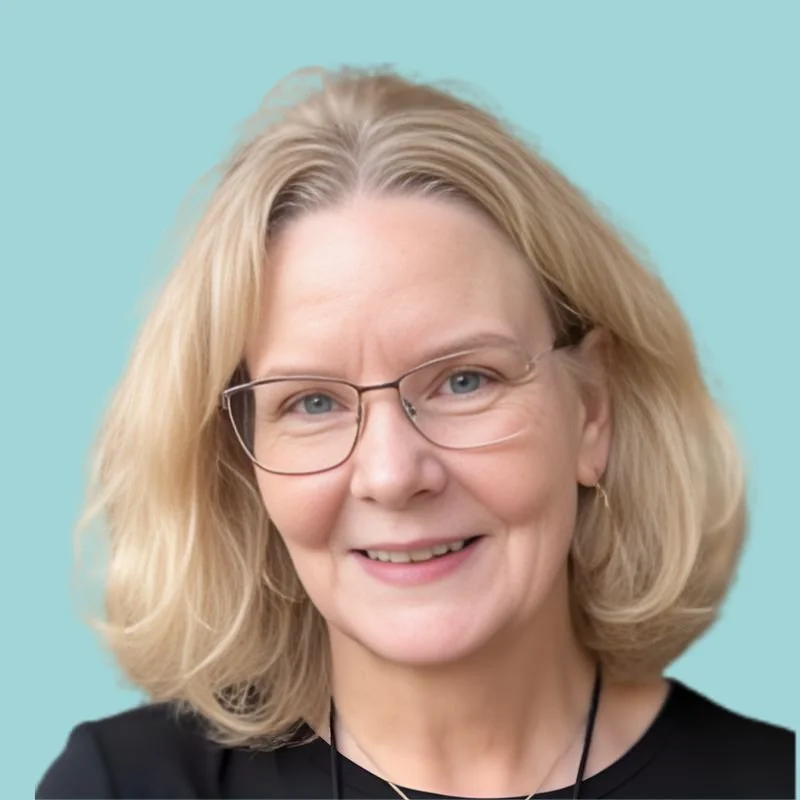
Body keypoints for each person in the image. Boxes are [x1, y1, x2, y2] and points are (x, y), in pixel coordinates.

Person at [37, 66, 795, 800]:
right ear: (245, 460)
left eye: (466, 380)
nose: (393, 474)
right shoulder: (126, 787)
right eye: (311, 403)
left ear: (592, 409)